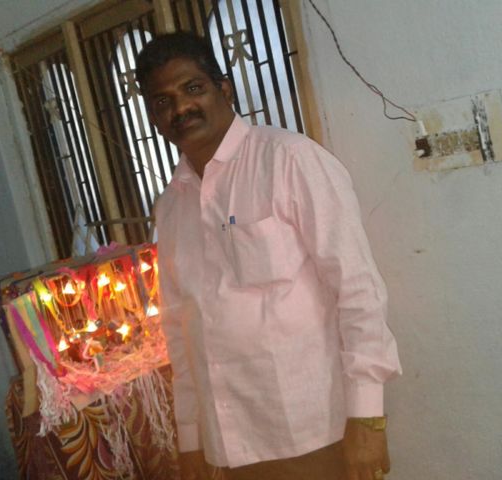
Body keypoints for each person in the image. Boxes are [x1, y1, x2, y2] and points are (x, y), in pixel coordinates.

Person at [136, 32, 401, 480]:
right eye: (163, 101)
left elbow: (358, 289)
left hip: (312, 429)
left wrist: (367, 416)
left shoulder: (289, 160)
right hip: (230, 443)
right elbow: (180, 328)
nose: (181, 108)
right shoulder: (171, 206)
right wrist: (191, 437)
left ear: (224, 89)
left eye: (193, 88)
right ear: (154, 117)